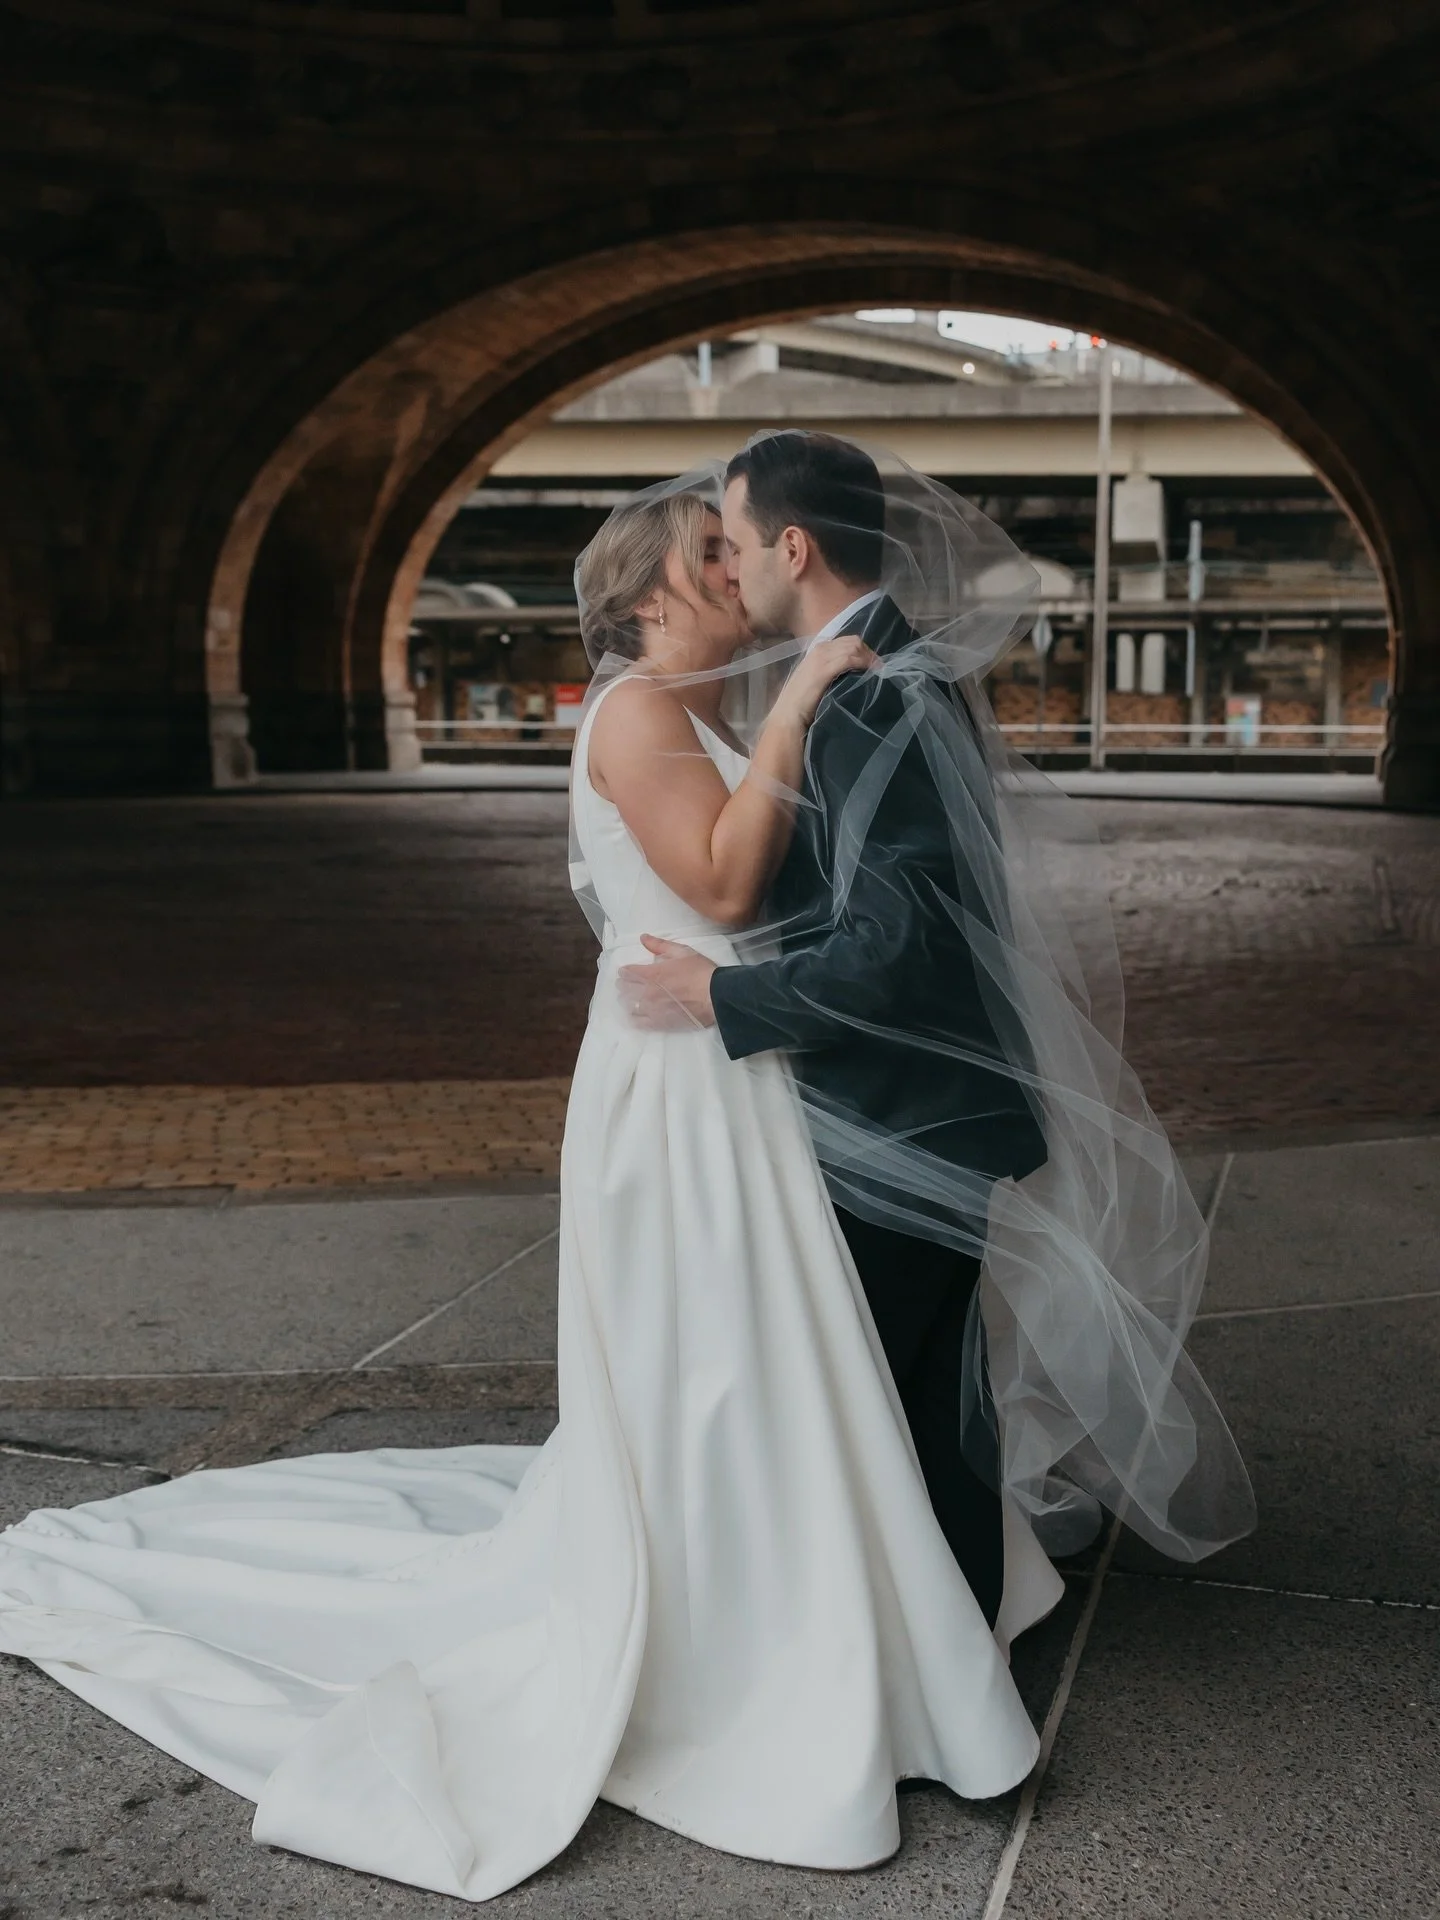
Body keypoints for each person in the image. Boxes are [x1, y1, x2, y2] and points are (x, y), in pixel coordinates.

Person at [0, 486, 1063, 1904]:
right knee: (718, 1362)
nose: (733, 576)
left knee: (742, 1360)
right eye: (705, 560)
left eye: (729, 549)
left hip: (715, 1069)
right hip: (682, 1082)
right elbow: (723, 888)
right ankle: (754, 1609)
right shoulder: (635, 711)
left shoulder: (682, 707)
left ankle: (798, 1580)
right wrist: (804, 704)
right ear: (644, 598)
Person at [622, 432, 1044, 1626]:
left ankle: (942, 1673)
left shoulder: (859, 688)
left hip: (895, 1109)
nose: (731, 573)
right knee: (920, 1404)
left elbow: (900, 945)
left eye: (739, 546)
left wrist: (722, 997)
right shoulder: (896, 667)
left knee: (887, 1406)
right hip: (927, 1103)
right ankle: (949, 1654)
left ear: (791, 545)